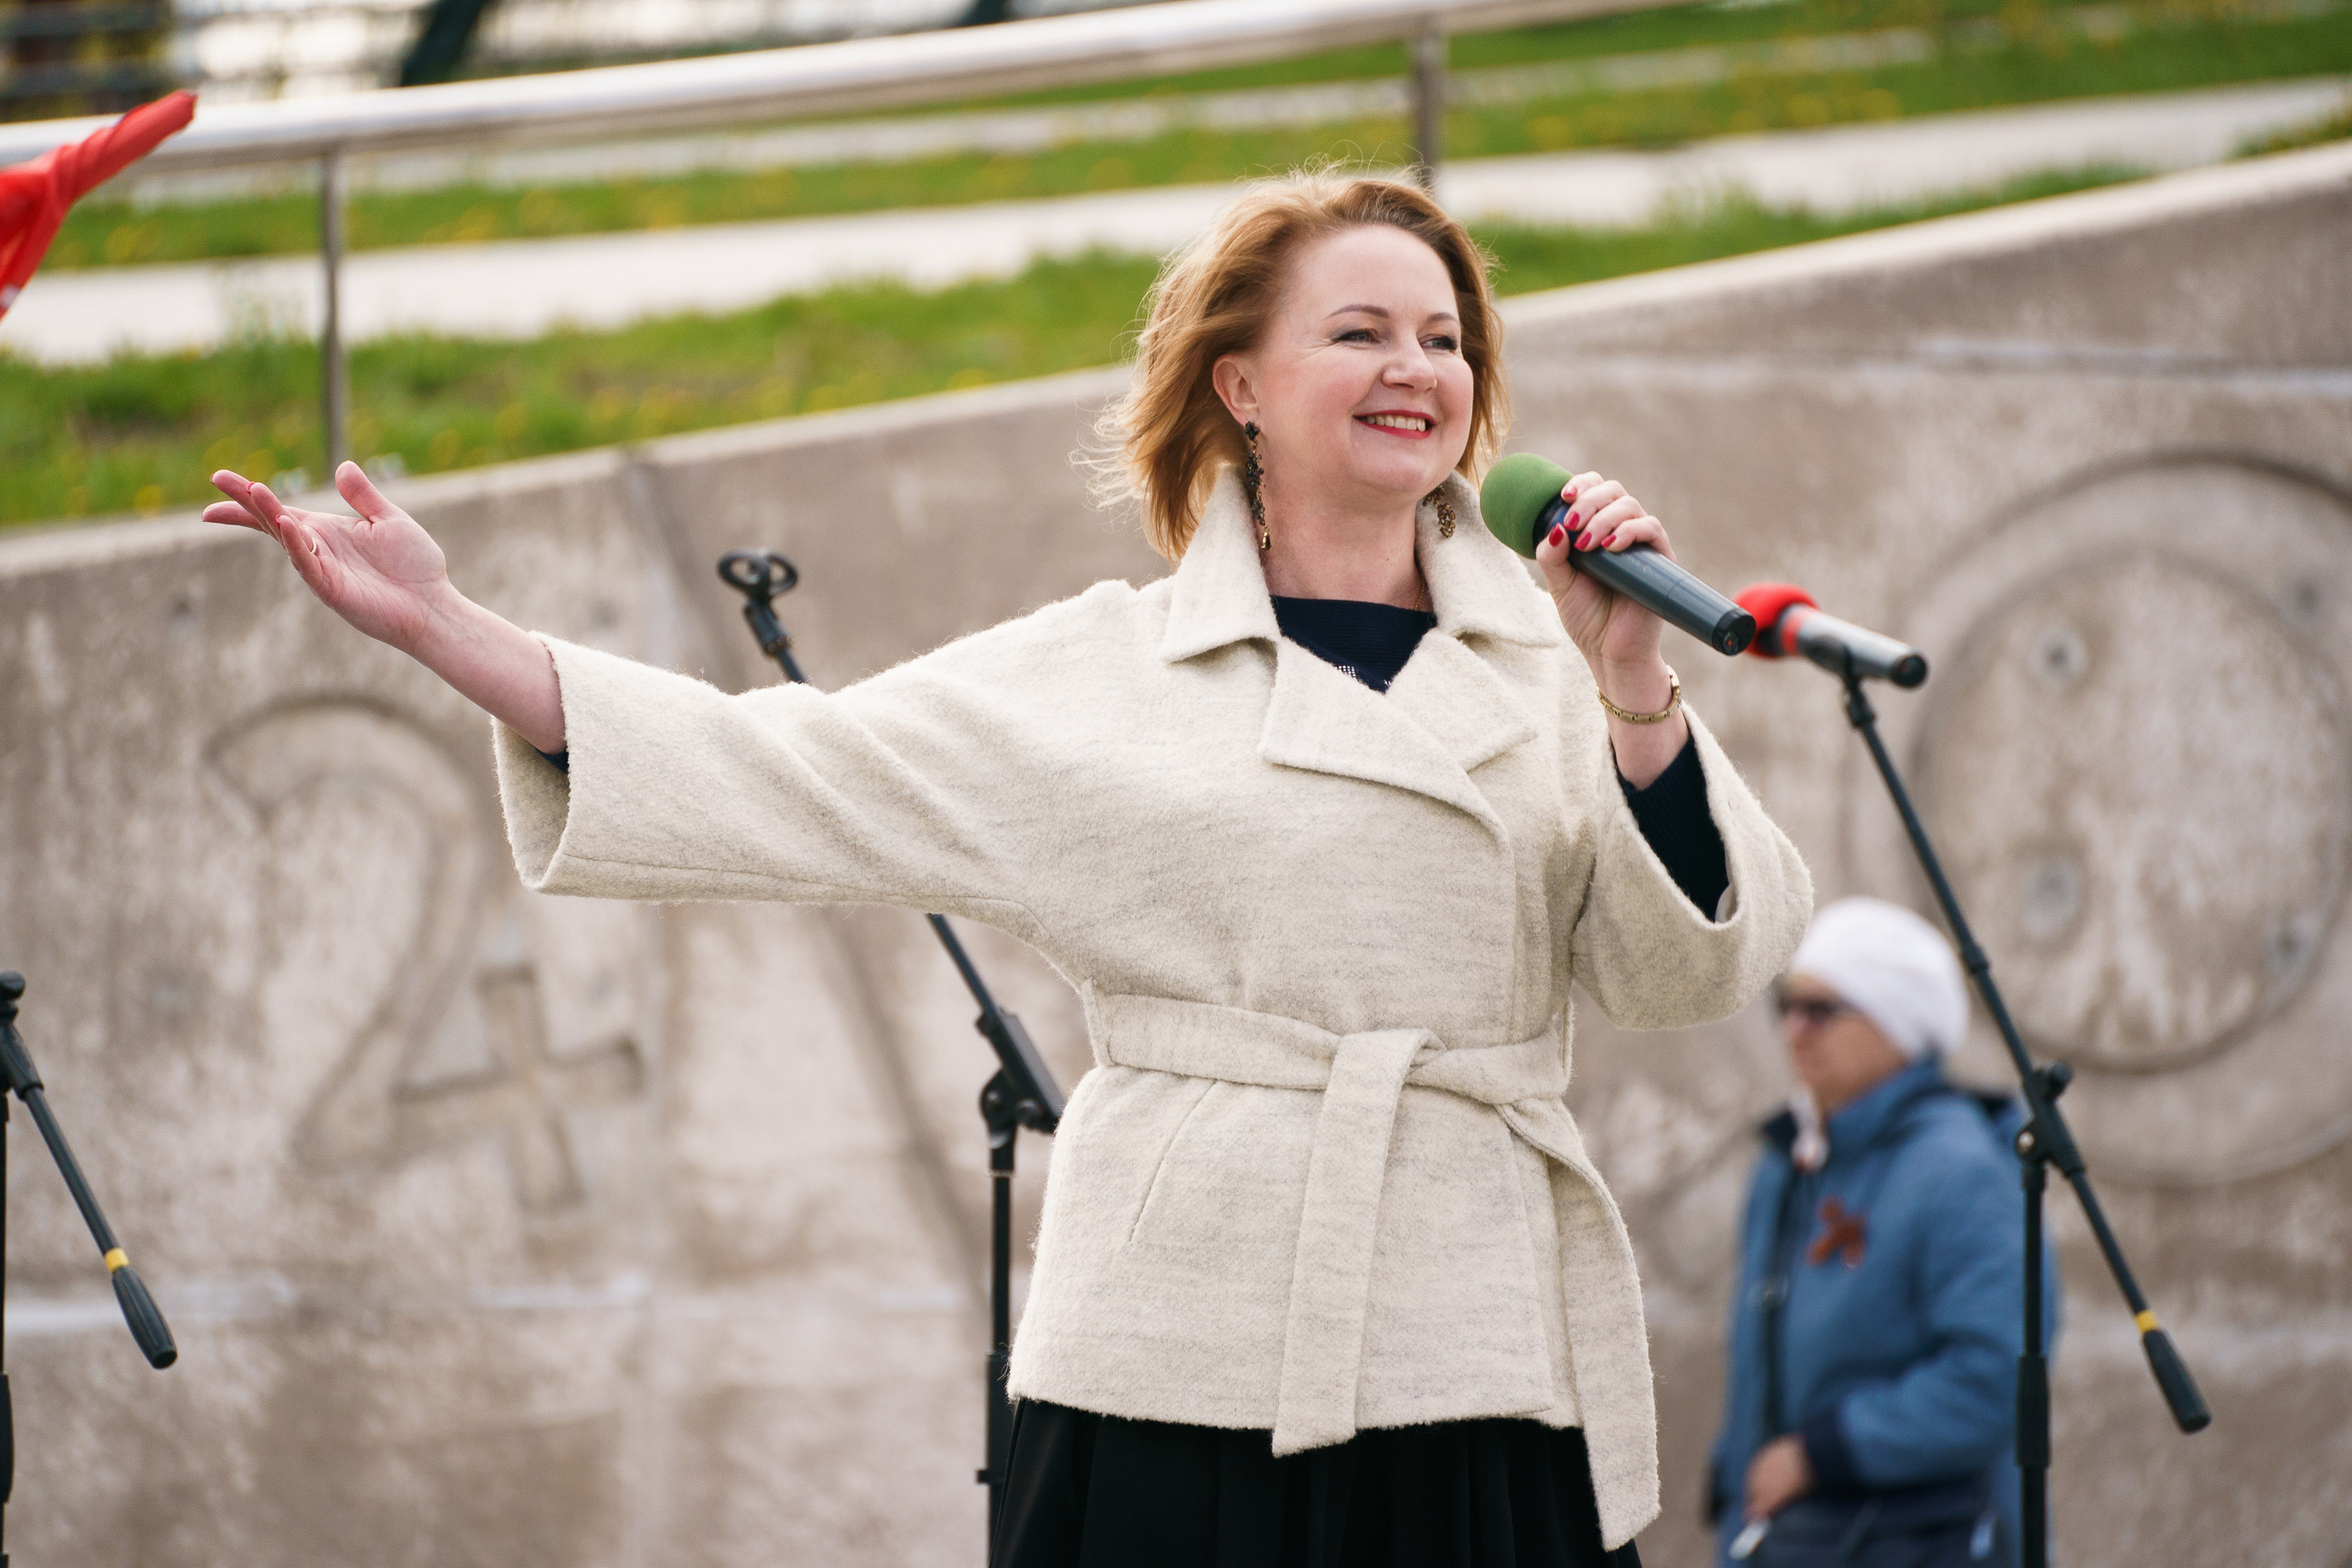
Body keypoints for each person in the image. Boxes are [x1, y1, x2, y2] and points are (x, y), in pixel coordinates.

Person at [203, 172, 1813, 1567]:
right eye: (1361, 331)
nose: (1416, 367)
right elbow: (793, 770)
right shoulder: (1109, 668)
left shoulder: (1553, 659)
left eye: (1445, 339)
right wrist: (455, 631)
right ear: (1241, 384)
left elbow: (1685, 970)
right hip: (1176, 1353)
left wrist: (1632, 680)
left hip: (1486, 1352)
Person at [1709, 897, 2059, 1568]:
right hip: (1793, 1542)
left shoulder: (1960, 1171)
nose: (1796, 1029)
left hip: (1920, 1541)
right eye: (1788, 1004)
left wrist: (1820, 1454)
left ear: (1900, 1022)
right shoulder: (1789, 1161)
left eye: (1824, 1009)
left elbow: (1993, 1377)